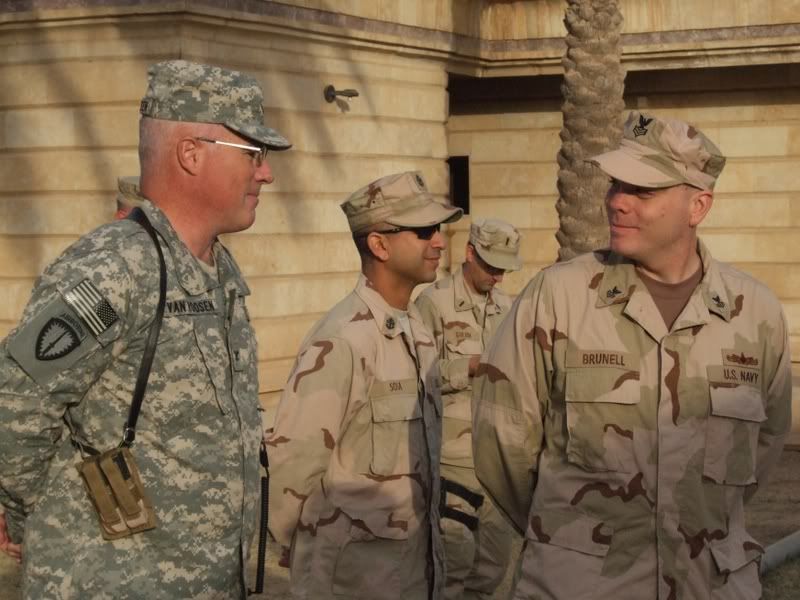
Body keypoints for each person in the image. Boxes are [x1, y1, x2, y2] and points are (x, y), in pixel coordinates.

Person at [0, 59, 290, 599]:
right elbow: (16, 403)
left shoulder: (218, 270)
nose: (265, 173)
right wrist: (30, 519)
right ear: (191, 154)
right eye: (252, 153)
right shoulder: (114, 267)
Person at [472, 111, 792, 599]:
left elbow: (764, 448)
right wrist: (569, 537)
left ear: (698, 205)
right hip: (580, 587)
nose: (617, 201)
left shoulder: (755, 314)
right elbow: (502, 441)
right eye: (616, 185)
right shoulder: (558, 298)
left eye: (642, 190)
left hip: (708, 584)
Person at [267, 171, 462, 599]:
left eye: (438, 229)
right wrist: (305, 550)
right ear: (379, 244)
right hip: (354, 579)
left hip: (412, 573)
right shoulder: (343, 339)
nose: (439, 242)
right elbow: (292, 465)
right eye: (424, 231)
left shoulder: (417, 331)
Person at [415, 218, 521, 599]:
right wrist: (469, 367)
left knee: (492, 566)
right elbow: (416, 375)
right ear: (470, 253)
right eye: (492, 266)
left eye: (504, 269)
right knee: (452, 565)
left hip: (496, 461)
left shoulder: (509, 308)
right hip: (453, 461)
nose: (498, 277)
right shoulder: (433, 304)